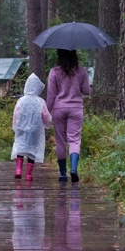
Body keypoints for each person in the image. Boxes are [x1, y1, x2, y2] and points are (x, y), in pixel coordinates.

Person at [47, 49, 91, 182]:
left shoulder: (54, 72)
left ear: (59, 55)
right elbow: (87, 91)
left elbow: (51, 95)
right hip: (76, 108)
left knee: (60, 140)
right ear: (75, 55)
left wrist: (47, 111)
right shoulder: (82, 71)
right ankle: (73, 169)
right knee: (74, 139)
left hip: (59, 109)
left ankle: (62, 173)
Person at [11, 73, 52, 181]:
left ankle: (18, 170)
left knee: (20, 147)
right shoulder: (40, 102)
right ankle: (28, 175)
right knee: (32, 150)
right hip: (35, 130)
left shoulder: (21, 100)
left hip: (21, 128)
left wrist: (15, 126)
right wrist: (48, 123)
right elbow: (46, 116)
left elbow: (16, 114)